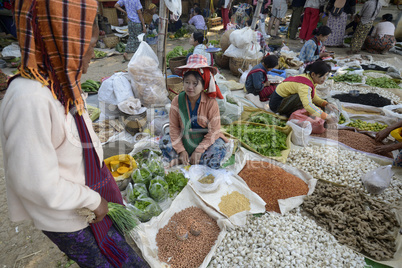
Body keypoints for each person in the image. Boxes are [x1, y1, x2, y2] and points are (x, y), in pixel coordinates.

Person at [0, 1, 149, 267]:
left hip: (90, 200)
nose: (93, 53)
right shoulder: (29, 98)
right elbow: (35, 184)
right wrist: (93, 200)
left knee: (124, 255)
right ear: (62, 44)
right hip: (72, 217)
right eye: (87, 46)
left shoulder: (59, 81)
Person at [159, 55, 228, 169]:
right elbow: (174, 128)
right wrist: (181, 150)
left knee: (218, 149)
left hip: (204, 139)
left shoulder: (211, 103)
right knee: (165, 142)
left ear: (203, 85)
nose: (190, 87)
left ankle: (185, 160)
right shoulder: (177, 101)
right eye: (187, 82)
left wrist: (199, 150)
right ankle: (185, 158)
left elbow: (214, 131)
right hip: (185, 137)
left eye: (195, 83)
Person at [269, 61, 338, 123]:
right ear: (313, 74)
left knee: (308, 99)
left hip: (278, 99)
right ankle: (284, 113)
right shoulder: (305, 85)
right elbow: (308, 105)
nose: (325, 78)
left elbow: (313, 97)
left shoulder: (309, 79)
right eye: (322, 76)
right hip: (276, 104)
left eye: (326, 75)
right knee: (303, 99)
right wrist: (326, 116)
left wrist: (326, 104)